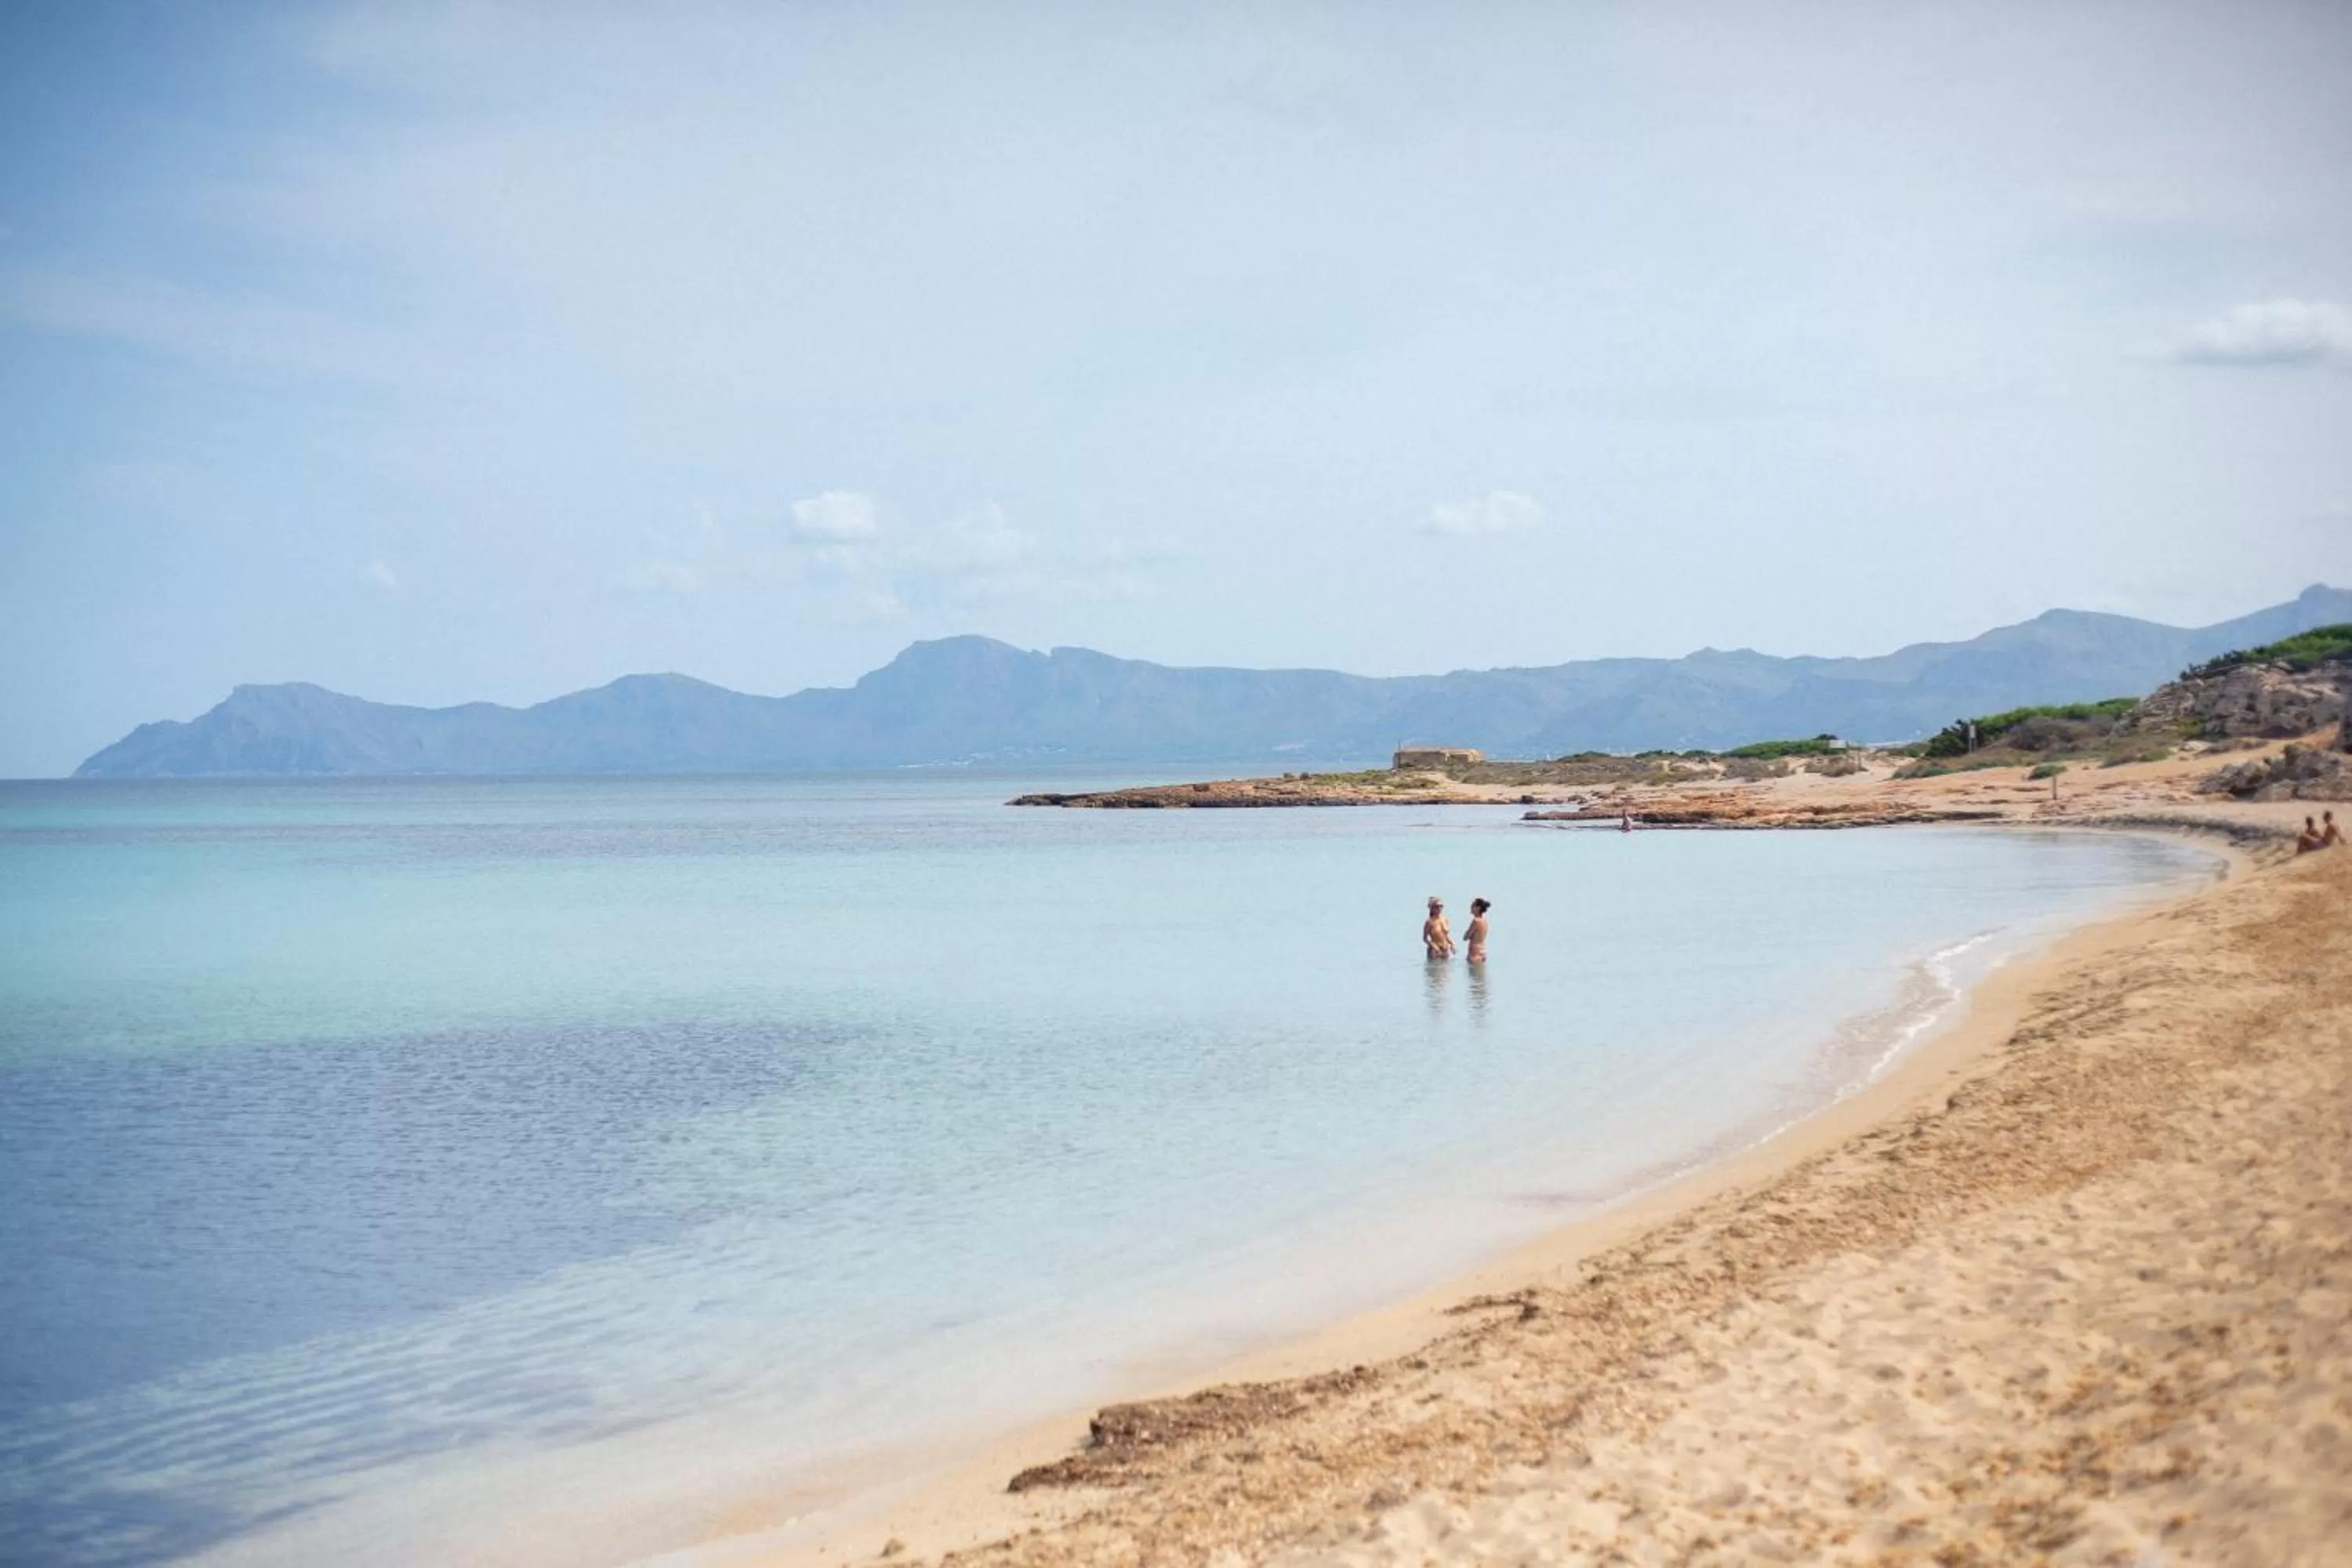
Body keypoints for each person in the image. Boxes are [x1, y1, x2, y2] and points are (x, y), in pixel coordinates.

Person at [1422, 896, 1455, 960]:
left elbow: (1445, 936)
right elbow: (1425, 938)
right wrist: (1434, 946)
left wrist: (1452, 944)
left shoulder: (1444, 919)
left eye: (1441, 906)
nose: (1439, 908)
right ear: (1432, 908)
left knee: (1447, 966)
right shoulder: (1429, 922)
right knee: (1435, 966)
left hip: (1445, 949)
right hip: (1435, 950)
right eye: (1437, 907)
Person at [1464, 897, 1492, 964]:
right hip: (1482, 951)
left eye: (1473, 906)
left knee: (1473, 970)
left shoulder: (1476, 921)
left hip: (1474, 953)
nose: (1471, 907)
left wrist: (1467, 932)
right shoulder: (1485, 921)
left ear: (1478, 908)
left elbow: (1466, 937)